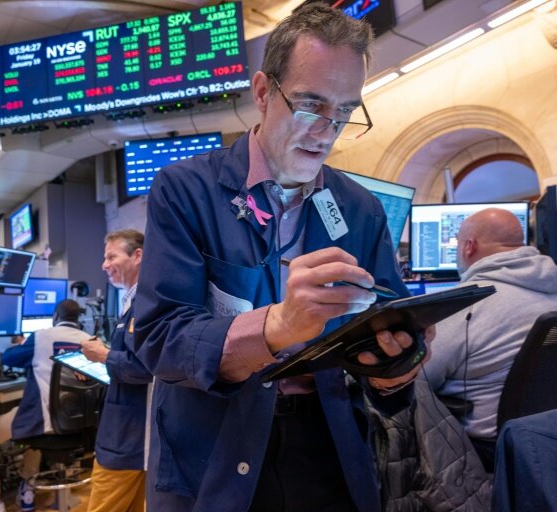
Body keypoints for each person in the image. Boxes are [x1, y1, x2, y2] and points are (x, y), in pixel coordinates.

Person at [133, 4, 431, 511]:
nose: (327, 130)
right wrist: (277, 325)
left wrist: (398, 362)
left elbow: (386, 322)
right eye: (312, 105)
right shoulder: (186, 190)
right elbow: (159, 338)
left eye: (343, 112)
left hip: (330, 442)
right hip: (215, 449)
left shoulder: (359, 209)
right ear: (264, 92)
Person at [422, 207, 557, 471]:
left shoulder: (464, 304)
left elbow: (418, 377)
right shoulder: (551, 288)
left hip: (481, 451)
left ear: (468, 247)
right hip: (544, 441)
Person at [0, 299, 92, 512]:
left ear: (55, 317)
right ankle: (27, 488)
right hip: (79, 427)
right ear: (77, 319)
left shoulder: (42, 336)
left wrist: (22, 344)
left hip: (42, 423)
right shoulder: (90, 340)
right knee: (31, 423)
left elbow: (9, 358)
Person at [81, 229, 152, 512]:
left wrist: (104, 355)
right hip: (128, 434)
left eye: (112, 256)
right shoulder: (132, 302)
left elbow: (144, 367)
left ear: (137, 256)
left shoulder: (146, 304)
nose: (104, 264)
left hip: (129, 438)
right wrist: (104, 360)